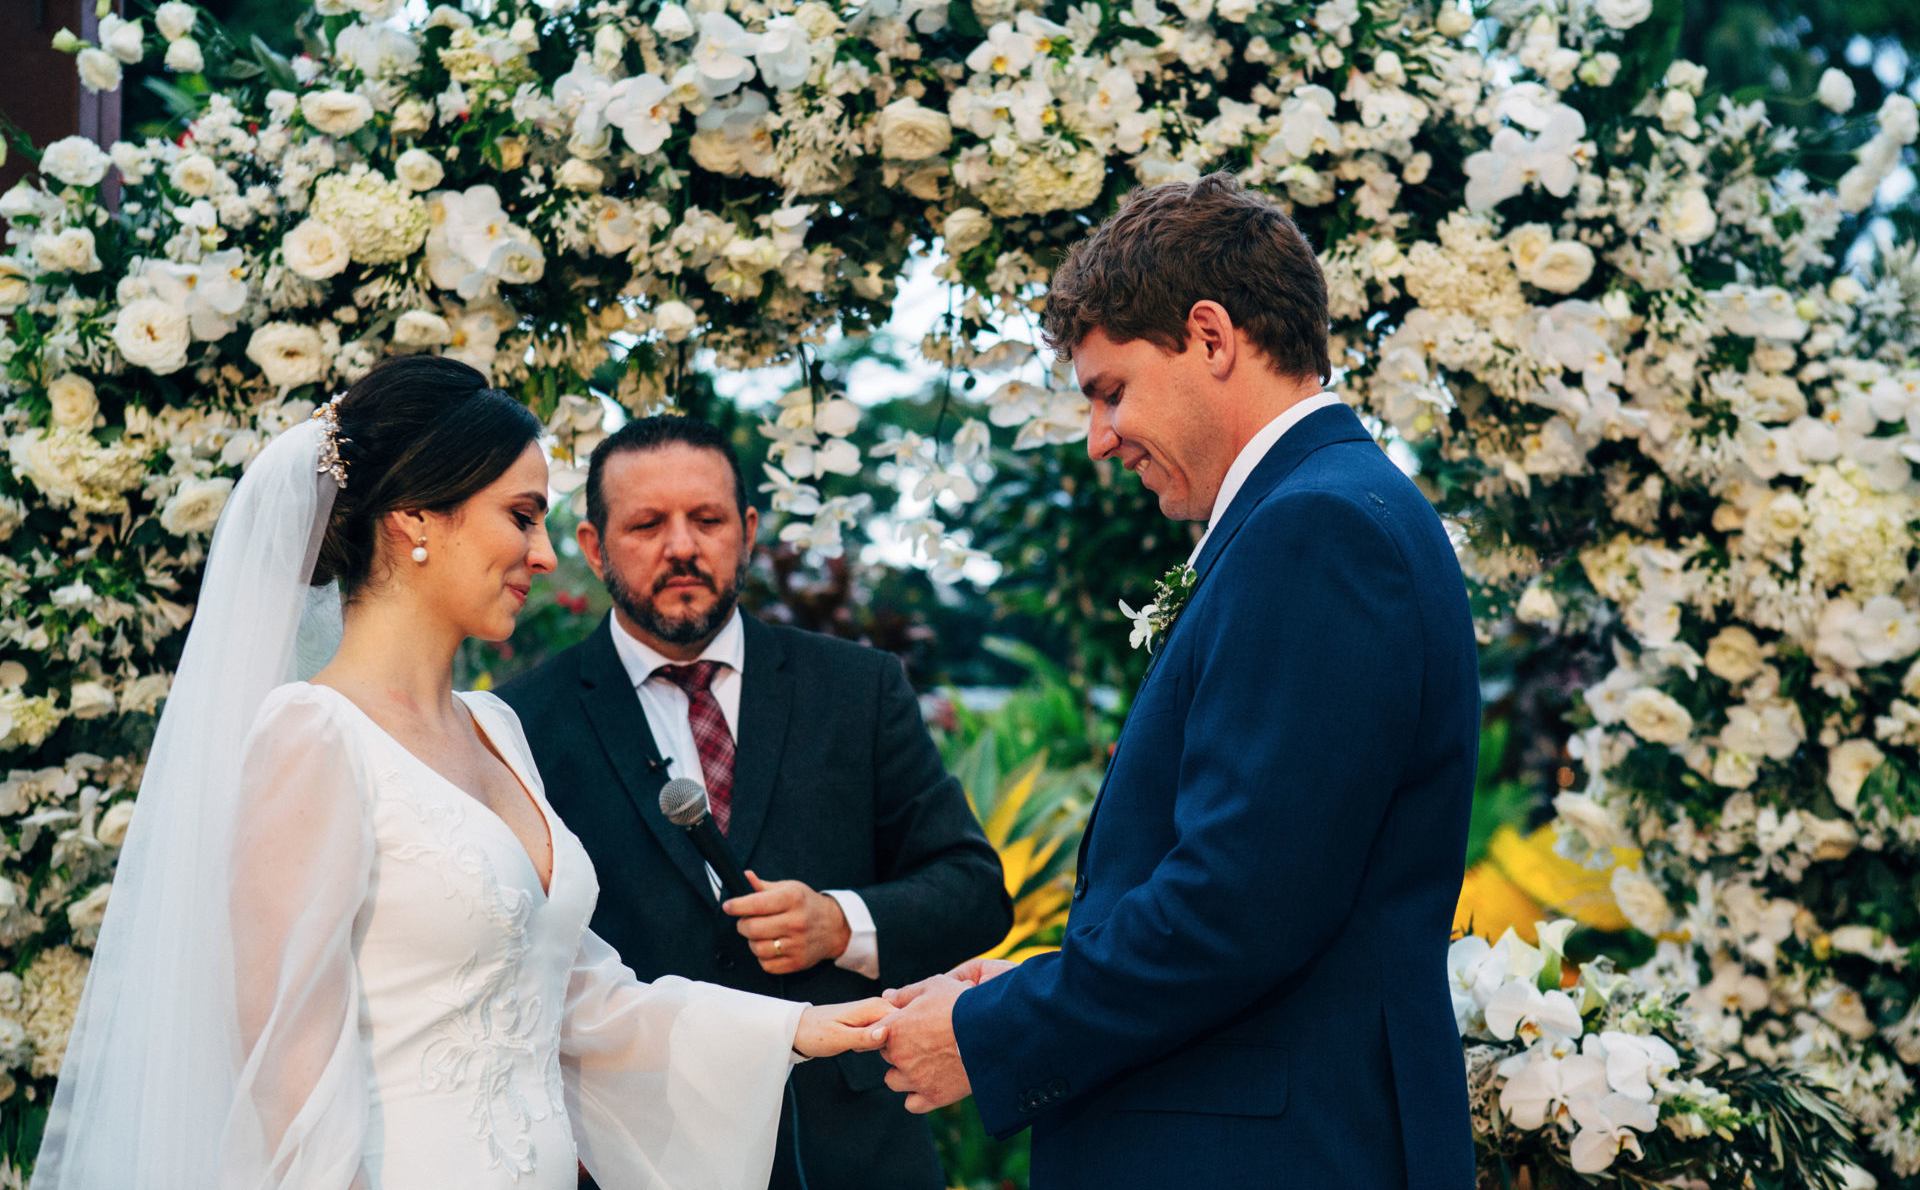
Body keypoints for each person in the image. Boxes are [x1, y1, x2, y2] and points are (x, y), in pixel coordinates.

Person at [33, 355, 891, 1190]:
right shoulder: (313, 735)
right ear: (415, 518)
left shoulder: (495, 728)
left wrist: (798, 1028)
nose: (545, 554)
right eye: (522, 515)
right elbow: (288, 1080)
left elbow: (578, 1000)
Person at [874, 173, 1480, 1190]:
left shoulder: (1316, 530)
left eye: (1110, 390)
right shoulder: (1329, 509)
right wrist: (1046, 977)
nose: (1098, 437)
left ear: (1210, 337)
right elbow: (1274, 881)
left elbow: (1240, 904)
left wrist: (991, 1030)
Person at [497, 415, 1011, 1190]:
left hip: (854, 1154)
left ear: (748, 531)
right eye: (647, 524)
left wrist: (840, 923)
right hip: (640, 1154)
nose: (681, 547)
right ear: (595, 547)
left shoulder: (859, 688)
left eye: (706, 520)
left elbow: (975, 893)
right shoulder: (522, 724)